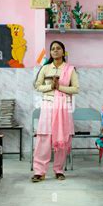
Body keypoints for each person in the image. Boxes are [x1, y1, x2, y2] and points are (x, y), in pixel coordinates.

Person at [32, 40, 79, 182]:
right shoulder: (45, 68)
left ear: (63, 52)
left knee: (62, 138)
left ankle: (59, 170)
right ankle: (39, 172)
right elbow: (37, 86)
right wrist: (51, 87)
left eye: (58, 48)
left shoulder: (70, 69)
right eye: (53, 49)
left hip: (64, 106)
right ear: (50, 52)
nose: (55, 51)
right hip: (48, 104)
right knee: (44, 137)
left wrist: (60, 88)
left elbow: (76, 88)